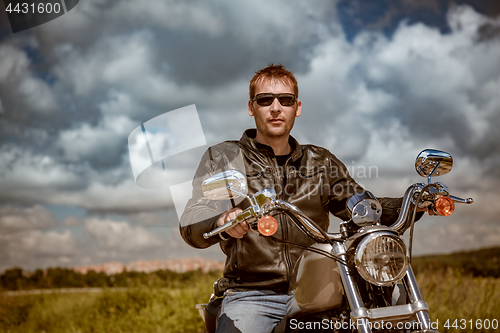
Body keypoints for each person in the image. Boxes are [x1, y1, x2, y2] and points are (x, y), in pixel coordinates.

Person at [180, 64, 425, 333]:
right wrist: (223, 219)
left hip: (318, 287)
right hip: (253, 292)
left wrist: (415, 202)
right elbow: (193, 220)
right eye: (265, 100)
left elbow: (361, 206)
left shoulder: (320, 161)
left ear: (296, 108)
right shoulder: (224, 158)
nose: (275, 108)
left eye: (285, 100)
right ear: (252, 107)